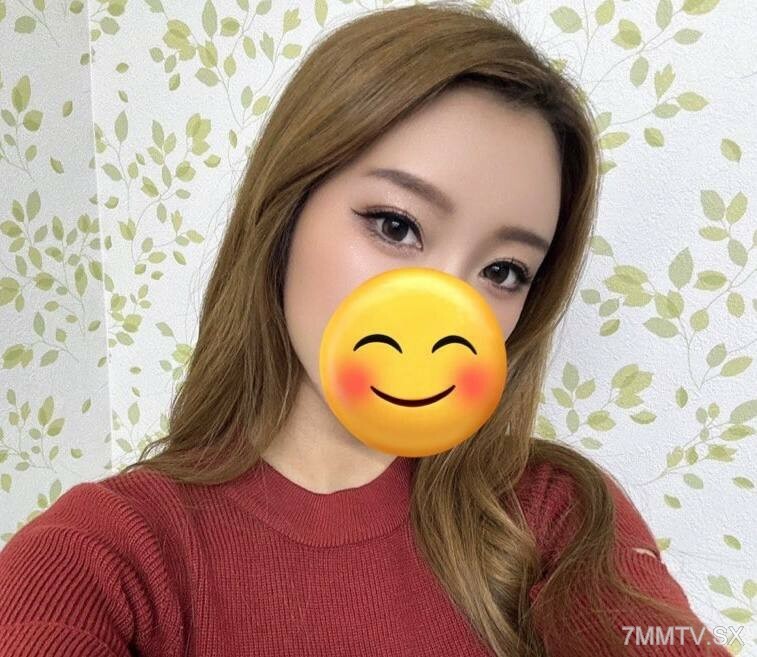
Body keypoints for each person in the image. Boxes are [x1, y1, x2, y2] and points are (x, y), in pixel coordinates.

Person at [0, 2, 732, 656]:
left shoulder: (556, 515)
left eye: (504, 270)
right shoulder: (104, 554)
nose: (447, 307)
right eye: (396, 225)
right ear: (285, 215)